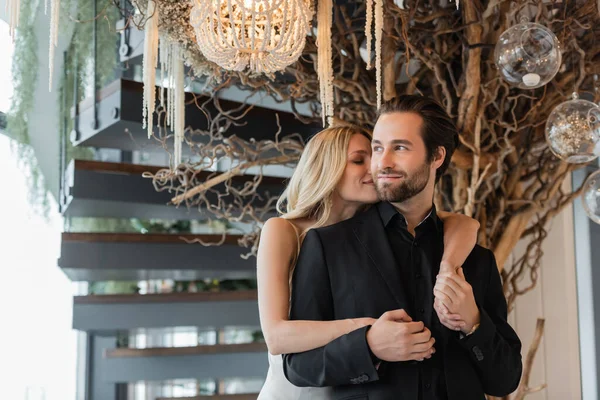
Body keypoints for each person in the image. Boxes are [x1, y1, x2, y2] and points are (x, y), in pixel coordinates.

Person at [282, 95, 522, 400]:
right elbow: (297, 366)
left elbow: (506, 380)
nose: (383, 162)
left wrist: (474, 323)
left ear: (436, 156)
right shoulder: (327, 246)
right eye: (378, 148)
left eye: (400, 147)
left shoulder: (478, 260)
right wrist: (368, 346)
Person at [257, 123, 481, 400]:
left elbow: (465, 224)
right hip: (297, 388)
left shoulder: (372, 230)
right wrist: (369, 330)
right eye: (358, 160)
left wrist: (447, 269)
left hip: (351, 383)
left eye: (372, 157)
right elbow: (277, 337)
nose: (374, 168)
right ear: (328, 166)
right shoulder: (284, 230)